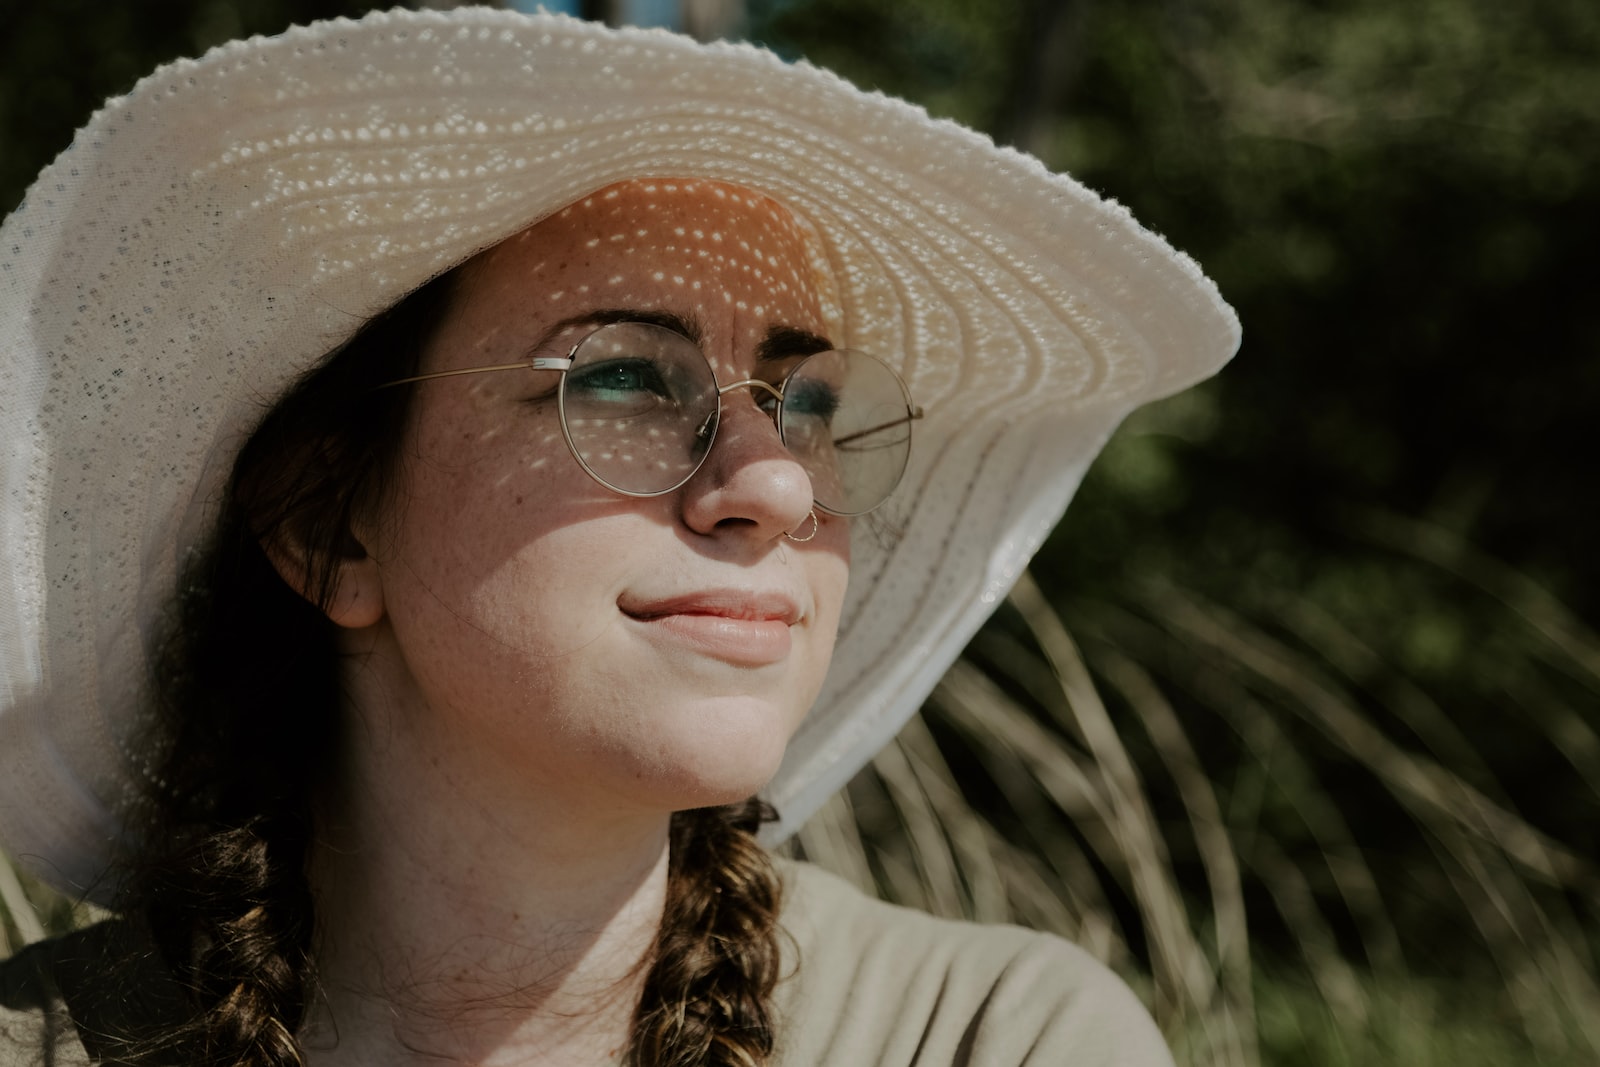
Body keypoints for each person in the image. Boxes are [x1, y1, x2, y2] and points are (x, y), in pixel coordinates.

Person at [0, 7, 1238, 1066]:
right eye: (626, 385)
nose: (776, 484)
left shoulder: (985, 1036)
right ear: (328, 523)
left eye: (808, 404)